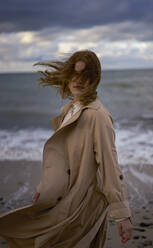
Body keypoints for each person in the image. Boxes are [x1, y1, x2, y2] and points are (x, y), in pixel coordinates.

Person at [0, 50, 133, 247]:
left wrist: (122, 214)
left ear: (94, 80)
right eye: (75, 74)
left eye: (85, 76)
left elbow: (109, 164)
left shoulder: (98, 116)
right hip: (65, 196)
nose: (78, 81)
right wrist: (44, 187)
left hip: (83, 203)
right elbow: (63, 158)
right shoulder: (70, 109)